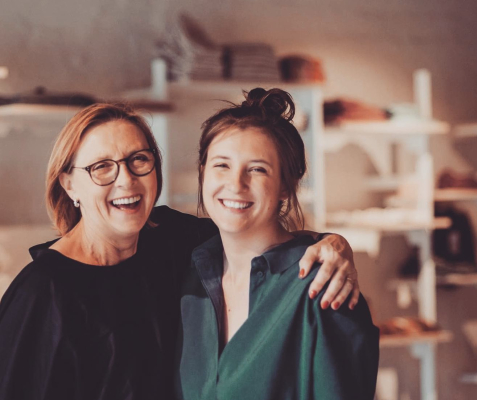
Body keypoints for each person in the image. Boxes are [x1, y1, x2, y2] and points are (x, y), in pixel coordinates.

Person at [0, 103, 360, 400]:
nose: (126, 179)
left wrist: (332, 244)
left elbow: (254, 230)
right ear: (69, 184)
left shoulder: (173, 241)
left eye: (138, 159)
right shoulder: (42, 292)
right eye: (102, 167)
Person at [176, 88, 379, 400]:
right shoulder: (189, 278)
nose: (236, 184)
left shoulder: (323, 288)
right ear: (203, 173)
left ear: (286, 184)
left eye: (257, 169)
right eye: (222, 165)